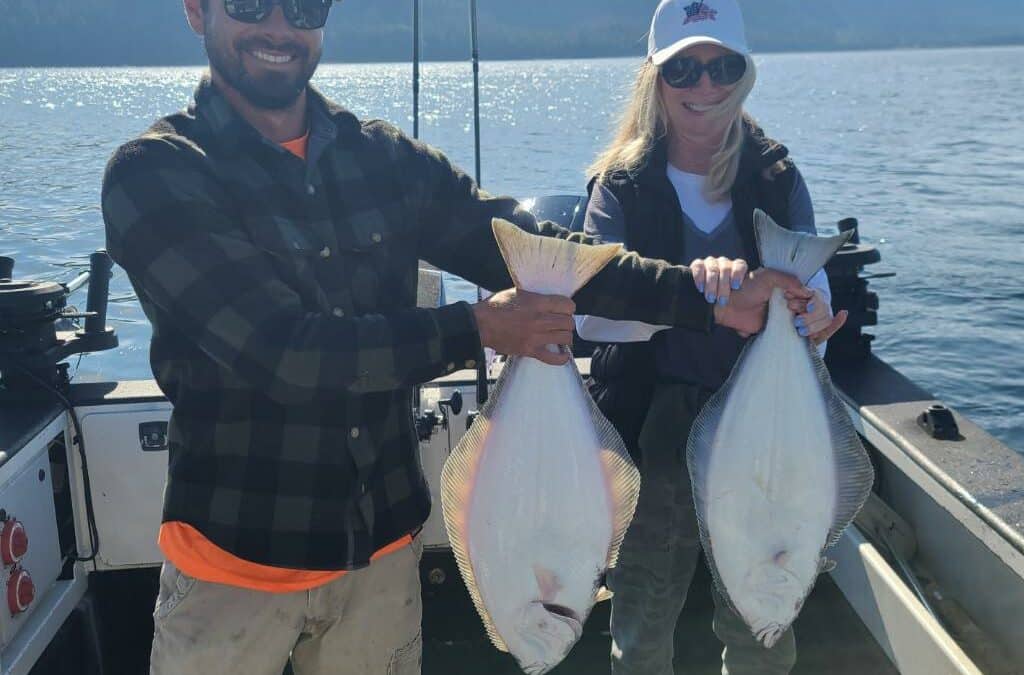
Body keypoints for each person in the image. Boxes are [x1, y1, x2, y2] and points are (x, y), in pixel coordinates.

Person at [100, 1, 813, 673]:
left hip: (380, 560)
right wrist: (477, 328)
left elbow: (526, 243)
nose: (280, 25)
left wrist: (706, 298)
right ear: (197, 9)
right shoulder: (157, 172)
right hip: (234, 566)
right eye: (251, 4)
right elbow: (282, 351)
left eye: (305, 5)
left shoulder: (379, 158)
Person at [577, 1, 848, 674]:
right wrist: (697, 294)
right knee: (643, 620)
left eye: (723, 67)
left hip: (763, 428)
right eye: (684, 69)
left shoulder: (778, 177)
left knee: (762, 616)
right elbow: (588, 314)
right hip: (649, 425)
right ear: (654, 77)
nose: (705, 87)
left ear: (745, 74)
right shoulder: (622, 186)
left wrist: (814, 311)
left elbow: (815, 283)